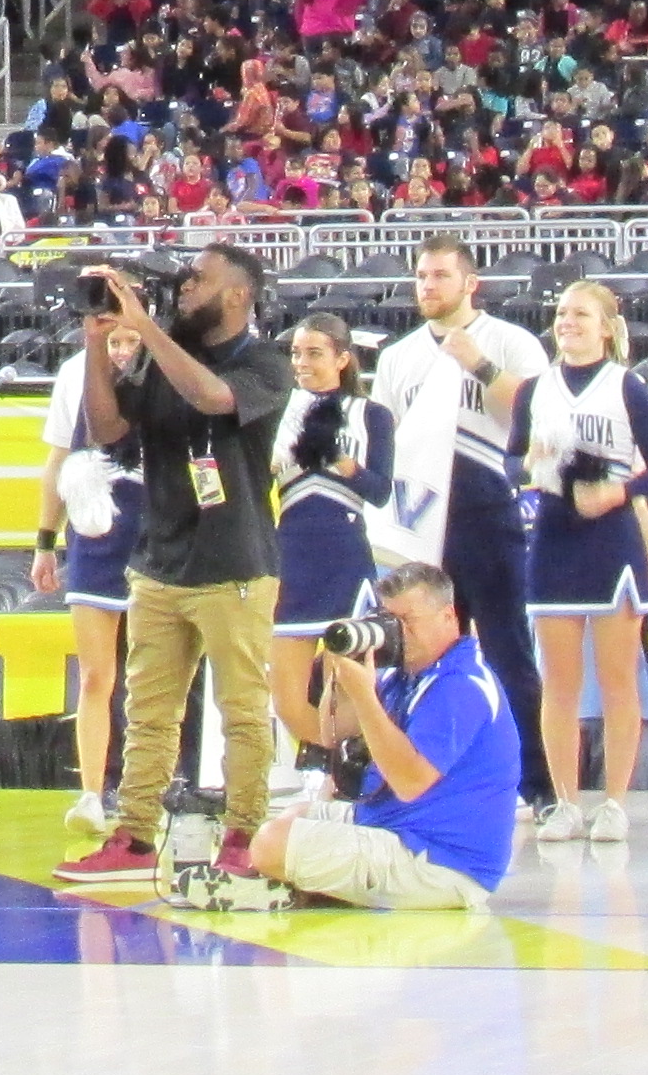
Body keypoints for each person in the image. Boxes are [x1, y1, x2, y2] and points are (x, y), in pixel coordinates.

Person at [55, 245, 287, 891]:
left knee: (241, 709)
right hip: (159, 558)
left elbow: (214, 398)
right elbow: (107, 430)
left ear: (239, 295)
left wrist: (149, 328)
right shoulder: (158, 360)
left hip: (234, 563)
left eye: (200, 280)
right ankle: (133, 833)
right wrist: (100, 345)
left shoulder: (264, 362)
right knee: (150, 710)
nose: (184, 287)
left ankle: (244, 832)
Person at [371, 238, 550, 807]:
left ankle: (534, 783)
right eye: (421, 276)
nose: (428, 286)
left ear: (470, 283)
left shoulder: (509, 341)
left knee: (506, 649)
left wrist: (479, 363)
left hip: (488, 509)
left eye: (441, 276)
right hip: (422, 518)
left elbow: (536, 416)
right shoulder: (399, 356)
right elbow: (386, 441)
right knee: (416, 650)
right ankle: (413, 779)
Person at [248, 558, 521, 911]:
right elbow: (330, 734)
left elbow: (410, 781)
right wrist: (341, 672)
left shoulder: (461, 685)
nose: (397, 634)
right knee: (293, 815)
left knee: (271, 844)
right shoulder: (406, 674)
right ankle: (317, 886)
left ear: (448, 617)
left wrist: (365, 696)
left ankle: (308, 887)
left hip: (441, 861)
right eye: (388, 622)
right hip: (394, 827)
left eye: (407, 621)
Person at [523, 277, 648, 847]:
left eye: (581, 314)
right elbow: (518, 456)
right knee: (557, 683)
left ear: (607, 328)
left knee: (617, 681)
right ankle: (564, 801)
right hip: (555, 538)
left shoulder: (628, 387)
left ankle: (614, 801)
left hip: (612, 539)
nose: (568, 322)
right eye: (562, 313)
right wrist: (533, 464)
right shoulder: (534, 390)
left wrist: (616, 492)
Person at [265, 314, 384, 796]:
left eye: (314, 353)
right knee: (286, 695)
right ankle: (332, 761)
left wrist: (343, 464)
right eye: (296, 353)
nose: (302, 363)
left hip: (346, 555)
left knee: (349, 683)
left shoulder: (371, 415)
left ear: (342, 357)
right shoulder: (277, 410)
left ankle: (342, 774)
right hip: (290, 554)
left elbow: (380, 491)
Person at [28, 338, 134, 842]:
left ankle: (153, 784)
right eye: (112, 339)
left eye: (130, 338)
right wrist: (45, 540)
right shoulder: (76, 372)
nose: (120, 349)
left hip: (161, 535)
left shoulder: (175, 366)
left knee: (159, 677)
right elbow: (59, 459)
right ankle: (94, 790)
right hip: (95, 539)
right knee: (96, 674)